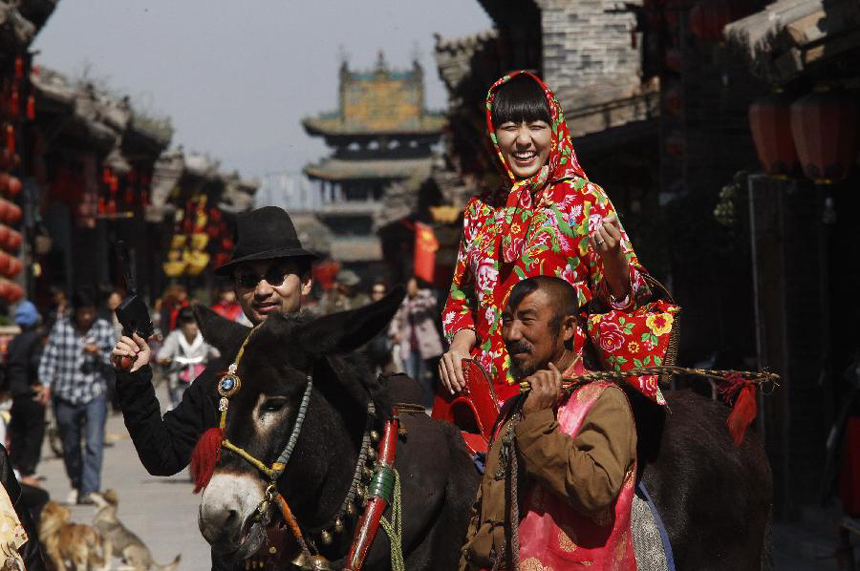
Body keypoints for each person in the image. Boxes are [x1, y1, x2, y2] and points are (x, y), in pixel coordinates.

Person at [111, 206, 315, 570]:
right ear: (236, 291)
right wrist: (135, 380)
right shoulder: (221, 382)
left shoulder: (334, 366)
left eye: (277, 276)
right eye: (248, 279)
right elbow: (163, 457)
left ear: (306, 282)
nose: (263, 290)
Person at [440, 71, 651, 404]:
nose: (523, 140)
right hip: (489, 392)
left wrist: (613, 258)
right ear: (494, 136)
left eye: (536, 127)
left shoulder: (584, 199)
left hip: (566, 388)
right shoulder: (479, 211)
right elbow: (461, 300)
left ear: (555, 134)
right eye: (509, 128)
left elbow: (626, 298)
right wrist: (459, 348)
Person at [459, 276, 637, 570]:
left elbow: (596, 490)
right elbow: (485, 510)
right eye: (507, 320)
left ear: (567, 328)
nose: (512, 334)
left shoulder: (603, 400)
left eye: (527, 320)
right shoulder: (516, 405)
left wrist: (540, 421)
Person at [36, 289, 116, 505]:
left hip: (94, 393)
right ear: (76, 312)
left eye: (90, 312)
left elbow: (117, 359)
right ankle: (76, 483)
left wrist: (99, 352)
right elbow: (48, 360)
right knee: (70, 445)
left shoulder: (104, 328)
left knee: (93, 443)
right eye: (83, 313)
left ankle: (90, 490)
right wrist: (45, 384)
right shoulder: (62, 329)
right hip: (65, 394)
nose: (87, 317)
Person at [7, 301, 45, 488]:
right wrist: (40, 384)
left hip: (16, 393)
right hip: (30, 393)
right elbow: (36, 364)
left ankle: (15, 469)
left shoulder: (14, 342)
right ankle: (28, 470)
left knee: (17, 433)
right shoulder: (35, 340)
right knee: (34, 433)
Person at [389, 276, 444, 408]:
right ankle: (412, 404)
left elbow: (432, 303)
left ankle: (428, 403)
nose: (411, 288)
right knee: (410, 376)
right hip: (407, 344)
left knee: (424, 376)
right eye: (409, 285)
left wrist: (418, 294)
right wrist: (395, 332)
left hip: (425, 344)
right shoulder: (403, 301)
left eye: (413, 285)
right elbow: (395, 318)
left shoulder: (425, 296)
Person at [156, 306, 220, 409]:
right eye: (190, 323)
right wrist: (167, 360)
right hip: (179, 383)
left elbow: (217, 353)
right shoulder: (174, 337)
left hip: (201, 382)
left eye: (197, 322)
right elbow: (161, 356)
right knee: (179, 408)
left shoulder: (204, 336)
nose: (194, 326)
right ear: (182, 323)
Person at [364, 279, 395, 374]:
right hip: (368, 350)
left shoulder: (390, 307)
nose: (378, 294)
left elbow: (396, 327)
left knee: (390, 378)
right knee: (369, 381)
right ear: (371, 293)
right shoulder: (365, 308)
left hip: (386, 350)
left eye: (381, 292)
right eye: (375, 292)